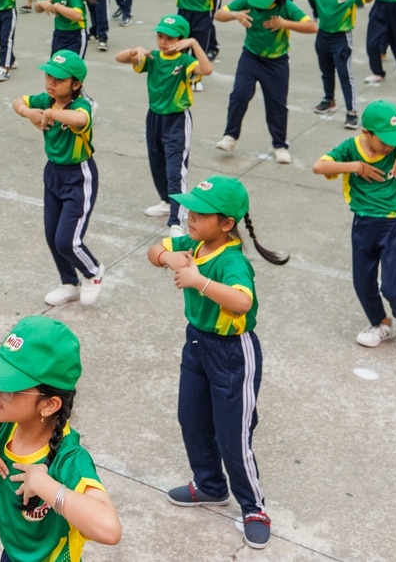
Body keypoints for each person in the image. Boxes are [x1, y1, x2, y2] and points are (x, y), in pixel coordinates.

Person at [146, 174, 288, 548]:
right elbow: (153, 250)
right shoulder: (192, 243)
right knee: (191, 419)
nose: (190, 217)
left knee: (233, 437)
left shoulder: (231, 260)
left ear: (226, 224)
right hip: (196, 344)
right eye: (190, 209)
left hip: (232, 354)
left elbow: (242, 302)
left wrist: (197, 281)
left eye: (201, 213)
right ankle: (209, 484)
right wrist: (166, 256)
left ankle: (253, 507)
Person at [0, 315, 122, 559]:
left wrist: (46, 486)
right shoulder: (4, 418)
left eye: (9, 386)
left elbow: (109, 529)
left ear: (49, 405)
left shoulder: (68, 458)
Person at [313, 100, 396, 352]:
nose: (390, 146)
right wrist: (357, 167)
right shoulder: (351, 148)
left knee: (393, 287)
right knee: (362, 282)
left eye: (395, 140)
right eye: (384, 140)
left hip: (393, 225)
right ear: (366, 133)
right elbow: (319, 166)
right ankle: (380, 324)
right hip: (362, 223)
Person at [12, 50, 102, 307]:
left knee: (67, 240)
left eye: (59, 79)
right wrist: (27, 113)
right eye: (48, 76)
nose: (51, 83)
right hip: (53, 173)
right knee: (52, 235)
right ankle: (68, 283)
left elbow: (80, 119)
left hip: (78, 176)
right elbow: (18, 100)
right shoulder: (45, 98)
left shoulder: (79, 105)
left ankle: (93, 271)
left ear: (76, 84)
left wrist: (49, 114)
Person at [115, 14, 211, 229]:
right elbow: (119, 58)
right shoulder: (154, 57)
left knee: (175, 169)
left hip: (177, 119)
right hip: (154, 118)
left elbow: (206, 70)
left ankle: (176, 220)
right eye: (160, 36)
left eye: (169, 38)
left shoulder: (185, 61)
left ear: (181, 39)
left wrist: (194, 44)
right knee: (156, 162)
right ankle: (167, 201)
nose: (163, 42)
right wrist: (134, 51)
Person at [215, 0, 315, 162]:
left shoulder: (285, 6)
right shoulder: (247, 1)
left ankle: (280, 145)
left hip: (277, 63)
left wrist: (284, 23)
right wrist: (236, 15)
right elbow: (219, 14)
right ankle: (230, 136)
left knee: (276, 104)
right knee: (239, 94)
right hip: (250, 57)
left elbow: (311, 26)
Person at [305, 0, 368, 130]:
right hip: (322, 35)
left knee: (344, 74)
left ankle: (352, 111)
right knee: (326, 71)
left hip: (341, 37)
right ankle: (328, 99)